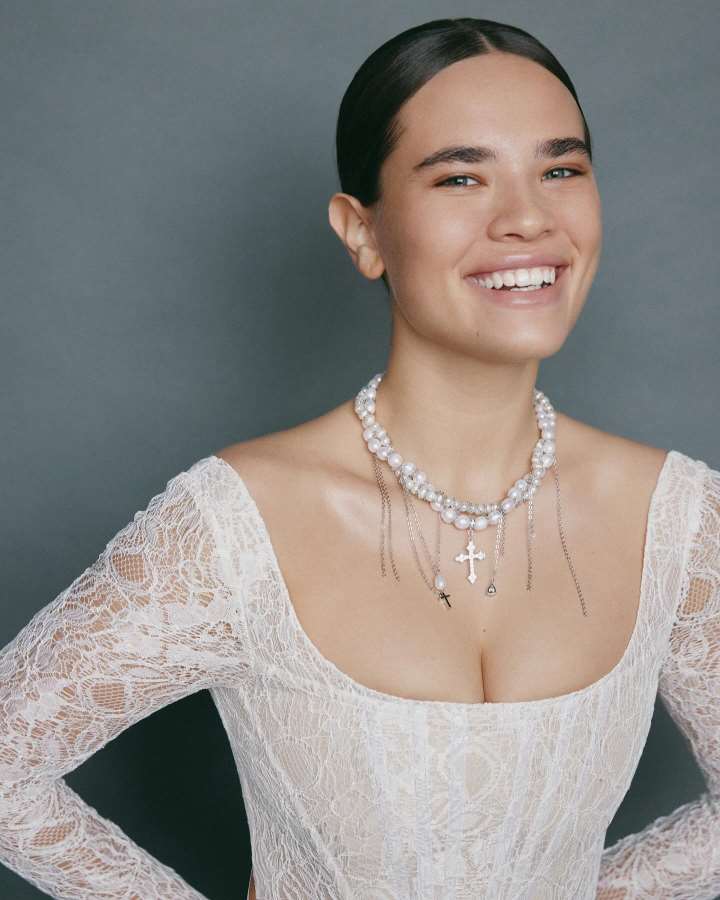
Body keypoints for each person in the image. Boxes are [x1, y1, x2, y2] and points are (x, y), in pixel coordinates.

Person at [1, 15, 718, 900]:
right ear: (362, 232)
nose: (528, 218)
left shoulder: (678, 519)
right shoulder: (238, 526)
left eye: (561, 170)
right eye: (461, 177)